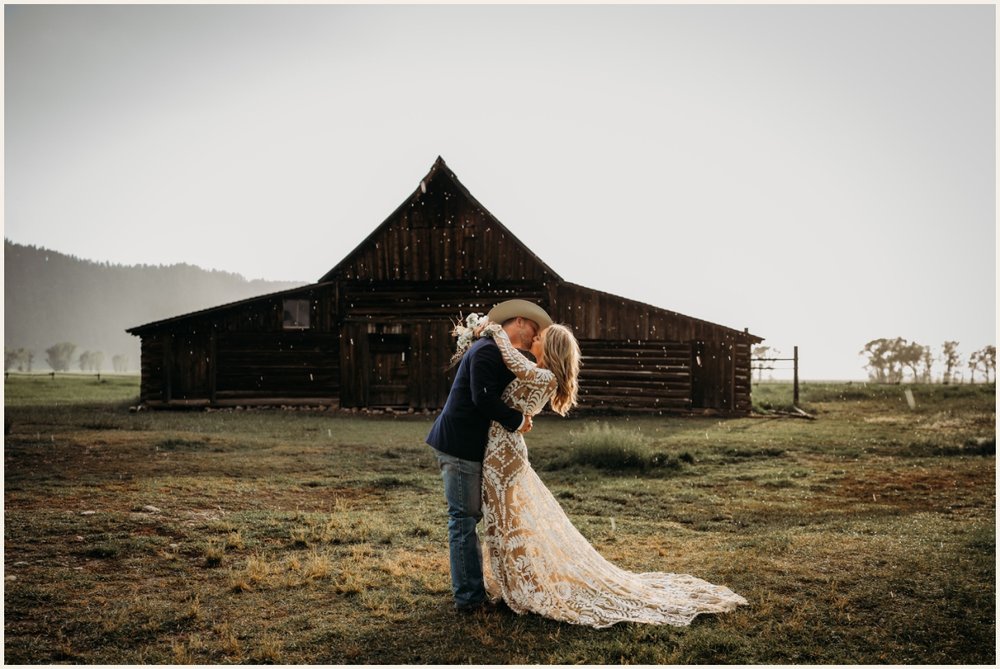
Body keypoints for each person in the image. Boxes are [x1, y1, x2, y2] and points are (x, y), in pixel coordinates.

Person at [473, 318, 749, 628]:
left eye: (541, 337)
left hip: (504, 452)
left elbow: (512, 361)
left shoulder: (542, 376)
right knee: (507, 518)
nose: (535, 337)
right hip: (503, 448)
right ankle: (516, 579)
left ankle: (519, 585)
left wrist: (494, 331)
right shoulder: (542, 374)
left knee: (507, 519)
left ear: (549, 348)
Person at [426, 299, 554, 612]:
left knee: (471, 517)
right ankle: (469, 599)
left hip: (472, 445)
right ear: (520, 321)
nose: (534, 337)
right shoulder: (486, 350)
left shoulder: (499, 351)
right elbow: (482, 399)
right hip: (459, 445)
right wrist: (518, 421)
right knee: (463, 519)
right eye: (534, 330)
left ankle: (481, 589)